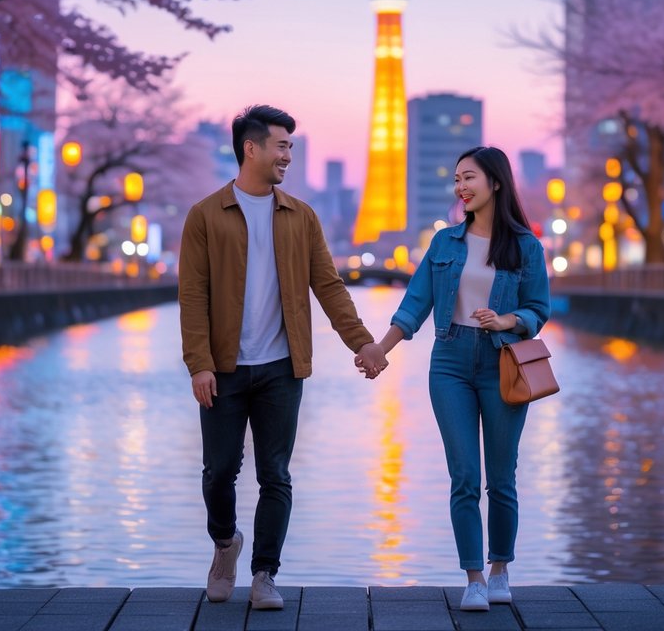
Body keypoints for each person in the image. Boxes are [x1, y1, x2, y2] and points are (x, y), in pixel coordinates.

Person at [178, 104, 387, 610]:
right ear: (251, 149)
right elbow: (193, 295)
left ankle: (265, 574)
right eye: (281, 145)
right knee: (218, 472)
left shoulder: (301, 217)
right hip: (224, 369)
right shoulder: (206, 215)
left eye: (291, 146)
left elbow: (329, 286)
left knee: (276, 474)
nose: (288, 155)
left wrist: (362, 342)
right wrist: (199, 363)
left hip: (281, 368)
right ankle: (225, 545)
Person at [368, 146, 550, 612]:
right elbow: (415, 304)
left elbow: (539, 309)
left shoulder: (526, 246)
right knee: (465, 475)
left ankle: (500, 569)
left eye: (469, 178)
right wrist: (379, 350)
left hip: (502, 363)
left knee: (501, 477)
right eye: (456, 180)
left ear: (495, 182)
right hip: (449, 363)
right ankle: (472, 578)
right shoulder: (445, 243)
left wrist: (508, 320)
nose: (460, 188)